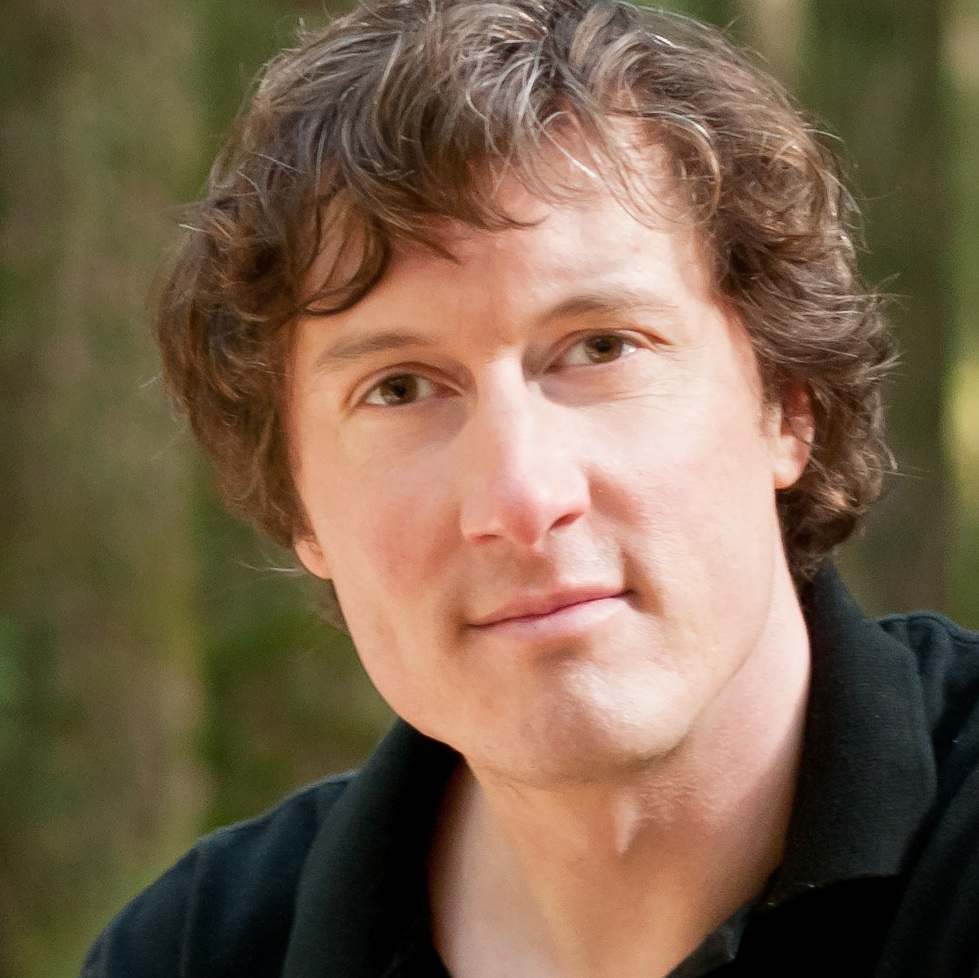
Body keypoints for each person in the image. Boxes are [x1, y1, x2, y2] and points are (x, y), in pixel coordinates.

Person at [82, 0, 979, 975]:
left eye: (600, 348)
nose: (519, 496)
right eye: (399, 389)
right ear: (303, 511)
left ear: (786, 406)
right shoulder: (195, 951)